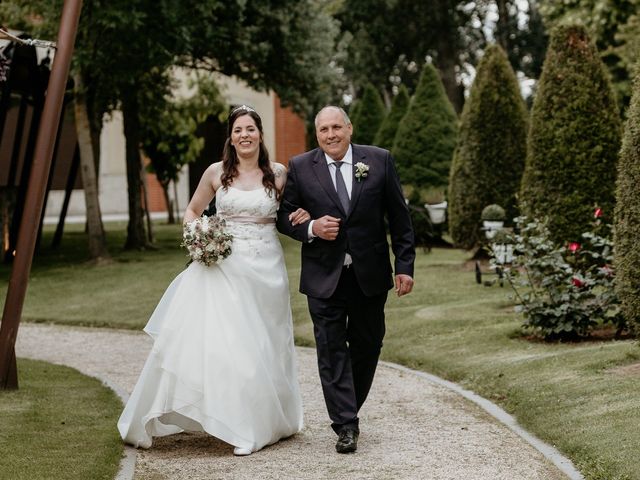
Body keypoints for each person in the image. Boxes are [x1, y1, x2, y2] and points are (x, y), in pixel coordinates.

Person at [118, 105, 308, 456]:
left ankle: (274, 419)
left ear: (261, 134)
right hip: (224, 266)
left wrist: (304, 213)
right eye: (238, 130)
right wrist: (199, 238)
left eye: (250, 129)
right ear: (231, 137)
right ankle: (242, 427)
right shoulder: (216, 173)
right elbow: (193, 211)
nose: (245, 135)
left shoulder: (278, 174)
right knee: (233, 344)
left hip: (267, 268)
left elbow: (294, 210)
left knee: (268, 342)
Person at [276, 105, 415, 454]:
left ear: (349, 129)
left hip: (369, 275)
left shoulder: (379, 161)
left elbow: (399, 217)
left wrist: (405, 265)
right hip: (324, 276)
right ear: (317, 134)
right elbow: (283, 216)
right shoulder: (301, 167)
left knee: (368, 345)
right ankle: (346, 423)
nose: (331, 135)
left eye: (337, 127)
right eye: (324, 130)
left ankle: (347, 405)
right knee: (330, 349)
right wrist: (310, 227)